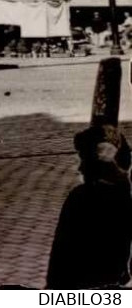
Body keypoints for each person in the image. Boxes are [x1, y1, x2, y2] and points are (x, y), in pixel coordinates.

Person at [46, 124, 132, 289]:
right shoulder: (125, 194)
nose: (78, 167)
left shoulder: (81, 197)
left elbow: (61, 256)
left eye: (82, 158)